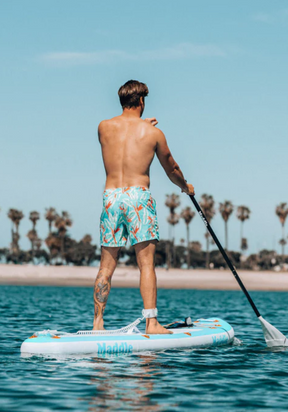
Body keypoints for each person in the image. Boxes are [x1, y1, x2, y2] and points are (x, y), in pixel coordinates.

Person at [93, 80, 194, 333]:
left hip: (111, 196)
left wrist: (141, 126)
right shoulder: (153, 134)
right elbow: (171, 168)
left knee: (106, 265)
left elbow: (125, 136)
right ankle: (151, 322)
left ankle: (97, 323)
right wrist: (185, 186)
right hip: (138, 197)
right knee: (146, 264)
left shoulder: (104, 128)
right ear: (141, 101)